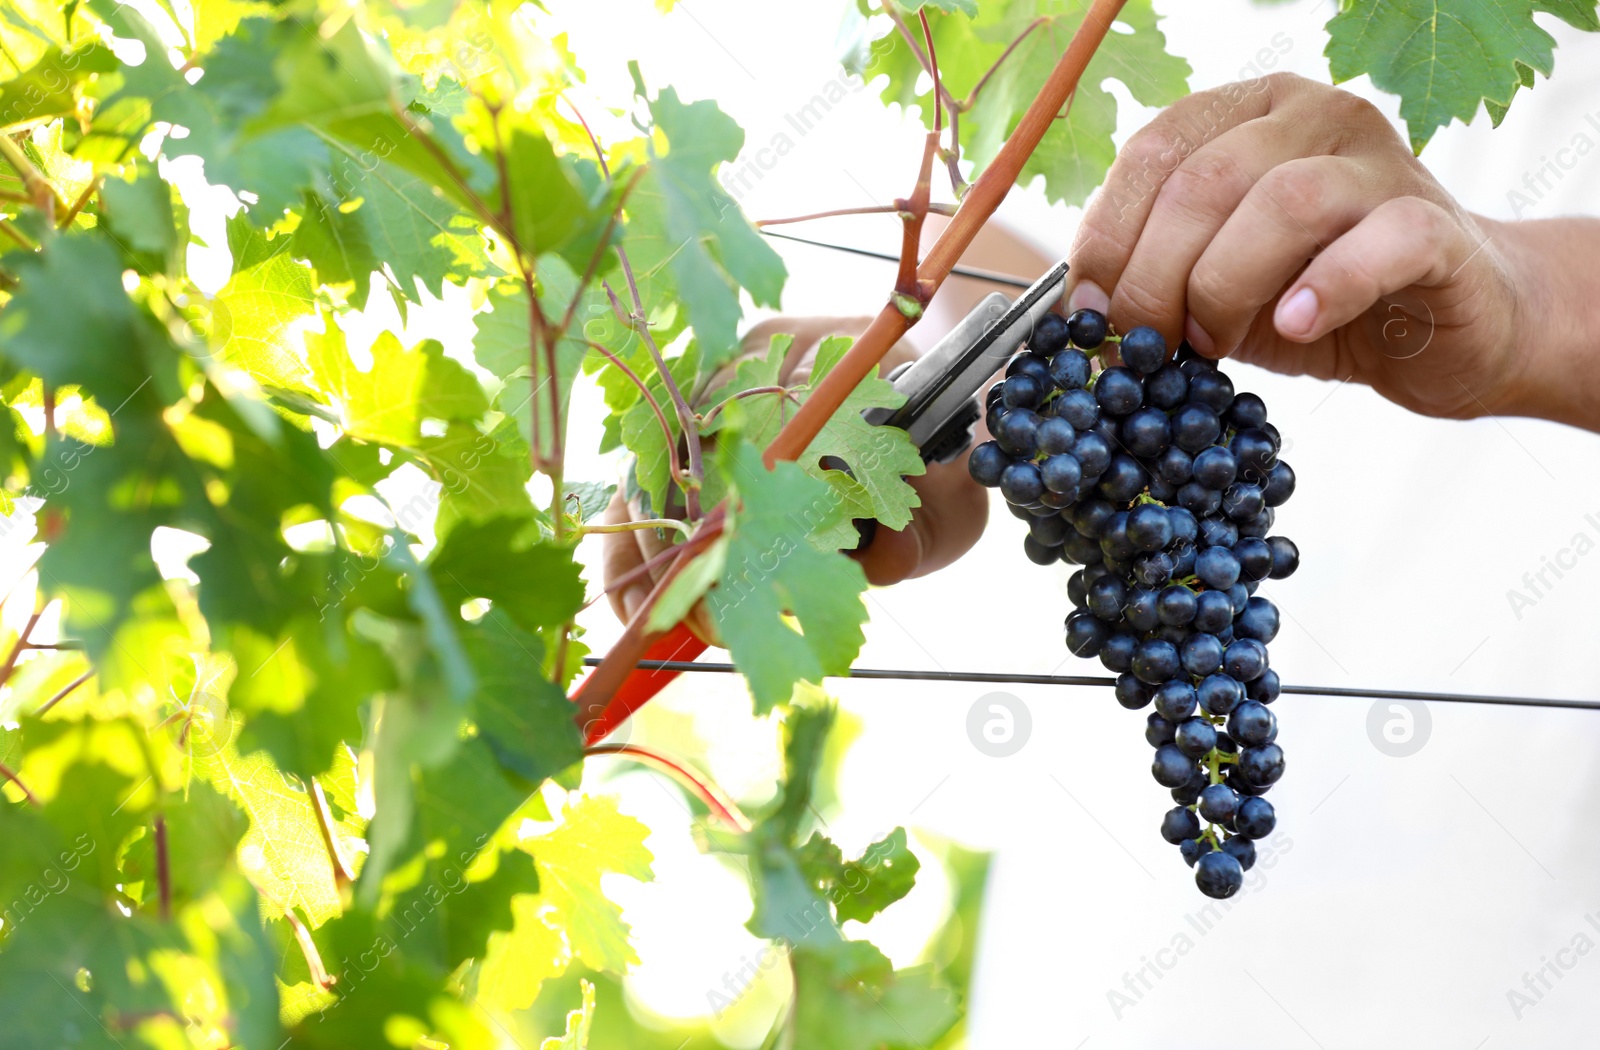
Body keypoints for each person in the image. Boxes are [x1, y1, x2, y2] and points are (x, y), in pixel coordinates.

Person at [604, 73, 1600, 625]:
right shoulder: (937, 52)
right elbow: (999, 286)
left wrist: (1540, 312)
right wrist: (904, 421)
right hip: (1095, 965)